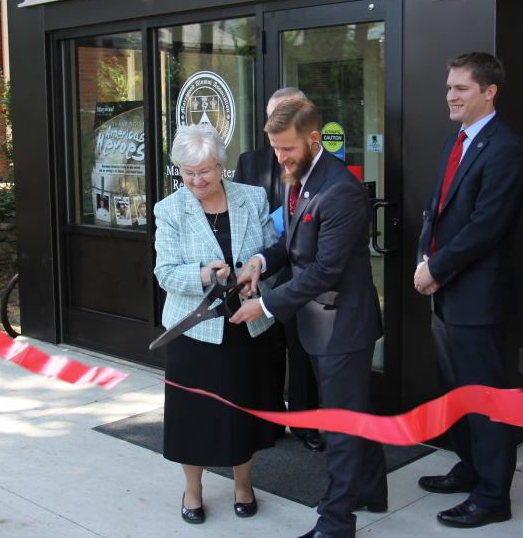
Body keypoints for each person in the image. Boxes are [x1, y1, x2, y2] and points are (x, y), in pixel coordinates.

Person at [230, 97, 388, 538]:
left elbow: (324, 270)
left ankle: (336, 524)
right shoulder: (296, 177)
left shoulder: (341, 189)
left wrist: (264, 304)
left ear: (314, 138)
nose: (279, 157)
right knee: (355, 415)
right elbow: (293, 245)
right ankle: (371, 490)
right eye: (275, 148)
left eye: (287, 148)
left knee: (341, 427)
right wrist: (260, 261)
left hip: (344, 326)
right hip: (318, 324)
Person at [413, 52, 523, 529]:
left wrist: (436, 268)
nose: (451, 97)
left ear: (489, 91)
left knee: (485, 400)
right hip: (446, 294)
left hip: (477, 299)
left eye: (461, 88)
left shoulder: (506, 149)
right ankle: (470, 467)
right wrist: (426, 257)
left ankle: (491, 495)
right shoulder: (457, 139)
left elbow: (486, 227)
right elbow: (437, 209)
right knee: (455, 393)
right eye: (448, 88)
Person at [153, 123, 278, 525]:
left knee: (244, 410)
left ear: (221, 166)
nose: (196, 180)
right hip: (194, 330)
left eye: (204, 171)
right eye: (188, 173)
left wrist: (254, 276)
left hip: (245, 325)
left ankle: (243, 483)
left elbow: (272, 255)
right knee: (194, 415)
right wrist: (204, 274)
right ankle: (194, 489)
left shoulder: (251, 198)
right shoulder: (169, 209)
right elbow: (165, 273)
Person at [235, 86, 324, 453]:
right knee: (266, 349)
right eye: (274, 115)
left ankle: (305, 424)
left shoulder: (318, 164)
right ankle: (268, 420)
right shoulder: (250, 160)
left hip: (302, 271)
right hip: (262, 267)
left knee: (300, 351)